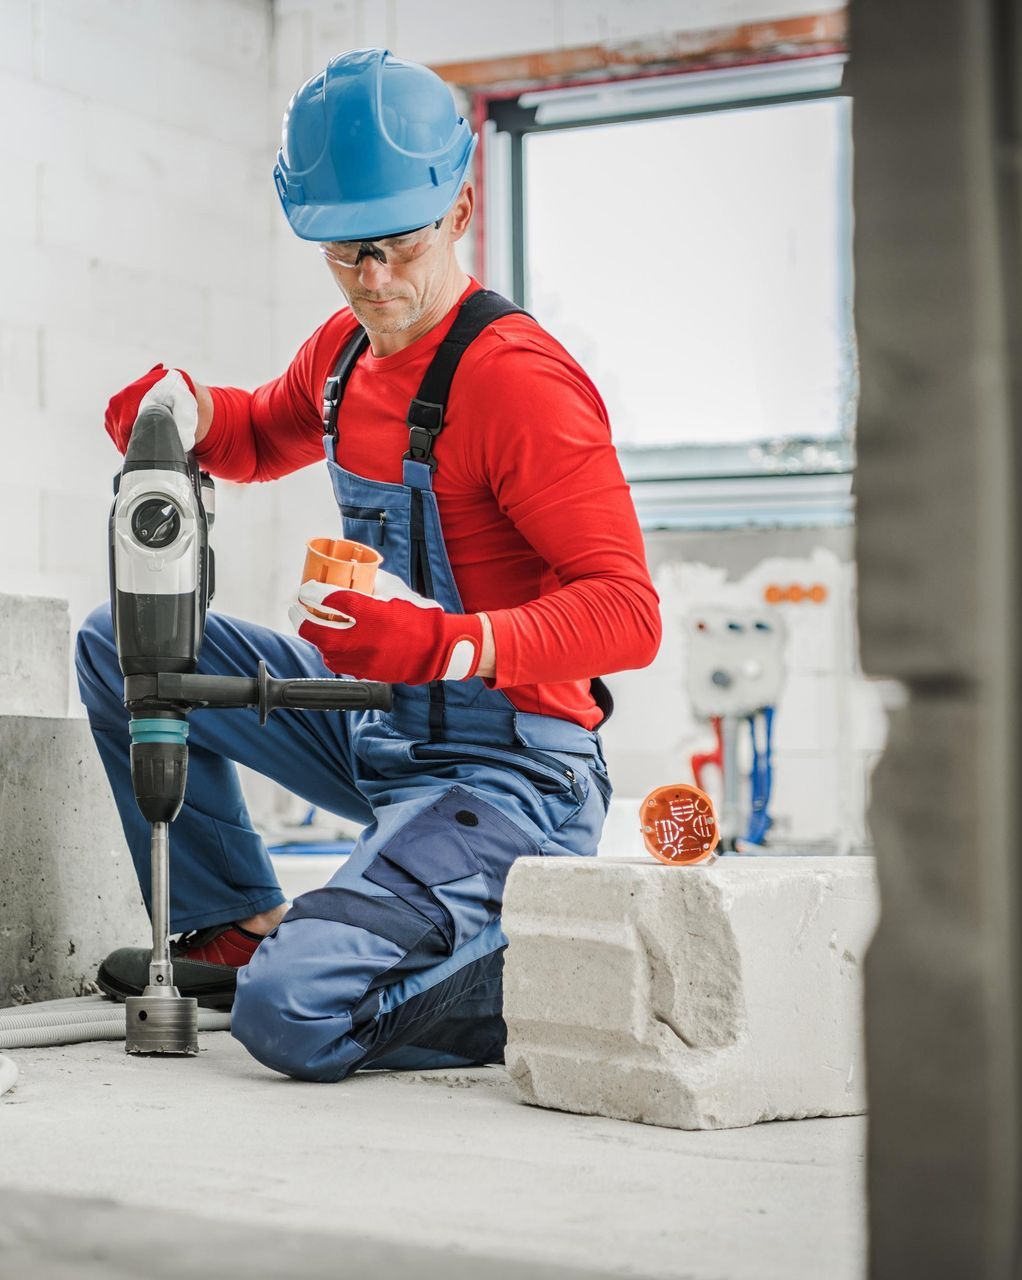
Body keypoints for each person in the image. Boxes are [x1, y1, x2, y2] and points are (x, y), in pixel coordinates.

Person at [77, 48, 659, 1082]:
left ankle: (539, 968)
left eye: (398, 247)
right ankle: (233, 924)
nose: (375, 280)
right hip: (378, 719)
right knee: (118, 638)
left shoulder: (519, 383)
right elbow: (260, 433)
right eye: (347, 254)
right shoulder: (345, 357)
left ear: (462, 207)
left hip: (511, 767)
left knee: (292, 1012)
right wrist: (190, 408)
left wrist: (456, 640)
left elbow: (629, 612)